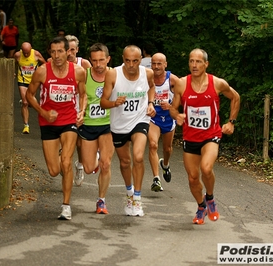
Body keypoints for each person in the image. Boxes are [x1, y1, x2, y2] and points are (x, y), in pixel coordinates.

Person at [170, 48, 240, 225]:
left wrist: (231, 122)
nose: (194, 65)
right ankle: (201, 206)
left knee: (206, 168)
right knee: (193, 177)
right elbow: (173, 108)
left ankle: (210, 198)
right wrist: (176, 115)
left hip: (211, 135)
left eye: (198, 61)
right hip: (190, 137)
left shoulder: (217, 83)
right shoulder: (182, 84)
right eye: (191, 61)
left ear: (206, 64)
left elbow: (235, 97)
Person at [26, 36, 87, 220]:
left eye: (60, 51)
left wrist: (82, 112)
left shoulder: (78, 71)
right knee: (54, 170)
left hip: (69, 120)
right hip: (48, 123)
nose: (57, 55)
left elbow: (83, 95)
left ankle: (66, 206)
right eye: (53, 52)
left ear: (68, 51)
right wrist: (43, 113)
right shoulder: (42, 72)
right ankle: (62, 156)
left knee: (66, 162)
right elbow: (29, 95)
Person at [100, 45, 156, 217]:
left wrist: (150, 103)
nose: (131, 65)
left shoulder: (147, 73)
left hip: (140, 119)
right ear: (122, 59)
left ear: (141, 60)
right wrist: (114, 103)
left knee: (138, 156)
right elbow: (103, 102)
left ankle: (138, 199)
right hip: (119, 123)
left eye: (135, 61)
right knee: (125, 162)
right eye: (127, 61)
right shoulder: (113, 74)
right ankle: (130, 192)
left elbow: (151, 88)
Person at [78, 43, 114, 214]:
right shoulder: (84, 75)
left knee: (106, 165)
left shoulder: (115, 75)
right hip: (88, 125)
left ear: (108, 59)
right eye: (94, 61)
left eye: (102, 60)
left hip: (109, 125)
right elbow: (78, 96)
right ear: (90, 61)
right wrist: (79, 112)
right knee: (88, 167)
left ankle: (101, 201)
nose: (98, 65)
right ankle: (96, 156)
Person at [148, 53, 179, 192]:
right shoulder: (147, 78)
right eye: (154, 63)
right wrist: (148, 105)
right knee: (153, 145)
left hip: (168, 118)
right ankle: (156, 178)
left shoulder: (172, 80)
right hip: (153, 117)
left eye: (159, 64)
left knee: (167, 149)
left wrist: (172, 107)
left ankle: (165, 164)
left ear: (165, 64)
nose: (156, 67)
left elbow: (185, 97)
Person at [64, 35, 92, 186]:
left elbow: (93, 83)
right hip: (64, 107)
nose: (69, 52)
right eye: (67, 49)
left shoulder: (84, 64)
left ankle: (80, 165)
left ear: (77, 50)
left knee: (80, 143)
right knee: (64, 140)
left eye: (72, 49)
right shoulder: (58, 64)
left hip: (80, 105)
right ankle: (64, 161)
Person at [14, 42, 46, 134]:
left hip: (33, 82)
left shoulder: (36, 54)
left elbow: (44, 63)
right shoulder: (17, 55)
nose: (26, 54)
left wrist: (41, 74)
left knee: (30, 102)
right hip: (22, 80)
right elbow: (12, 63)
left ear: (31, 49)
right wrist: (13, 72)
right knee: (25, 102)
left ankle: (29, 102)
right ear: (21, 50)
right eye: (25, 52)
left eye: (28, 52)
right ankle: (26, 126)